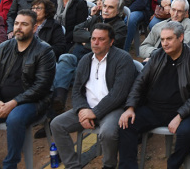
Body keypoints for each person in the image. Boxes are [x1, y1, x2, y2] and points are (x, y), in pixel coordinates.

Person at [0, 10, 57, 169]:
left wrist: (13, 103)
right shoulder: (3, 47)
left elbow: (41, 87)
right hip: (2, 101)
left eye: (24, 24)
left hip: (33, 102)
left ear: (34, 28)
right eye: (17, 24)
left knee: (14, 119)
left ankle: (10, 164)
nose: (19, 28)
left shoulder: (44, 51)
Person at [116, 21, 190, 169]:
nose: (164, 43)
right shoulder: (158, 55)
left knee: (187, 133)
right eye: (162, 39)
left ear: (181, 37)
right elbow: (140, 82)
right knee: (127, 125)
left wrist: (180, 115)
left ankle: (173, 165)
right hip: (154, 109)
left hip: (183, 110)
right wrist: (130, 107)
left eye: (169, 39)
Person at [49, 24, 137, 169]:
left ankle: (108, 165)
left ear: (111, 41)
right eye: (93, 39)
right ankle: (73, 166)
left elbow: (118, 95)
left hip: (113, 109)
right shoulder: (85, 59)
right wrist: (82, 110)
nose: (95, 43)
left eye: (101, 39)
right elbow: (76, 90)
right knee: (57, 124)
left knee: (108, 133)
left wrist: (94, 113)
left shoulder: (123, 59)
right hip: (87, 107)